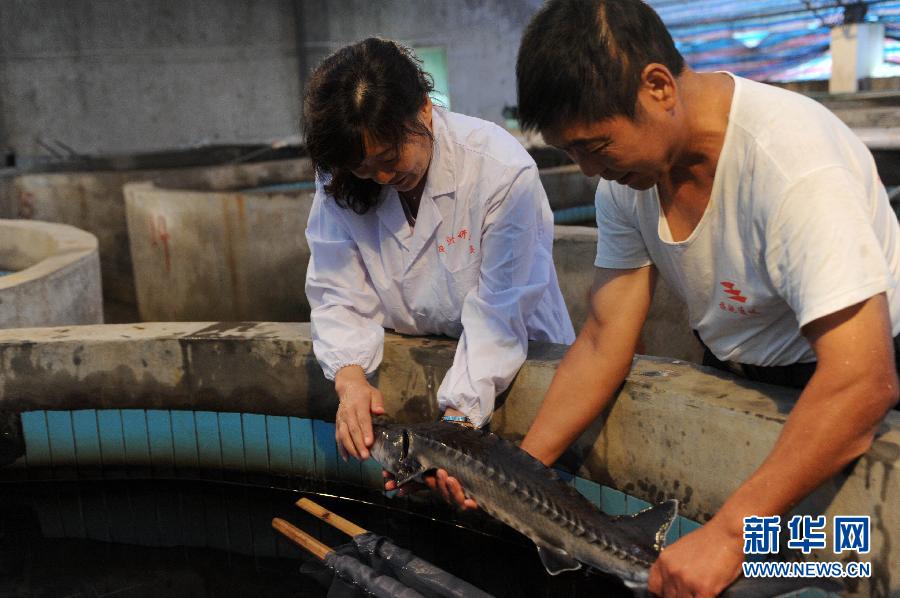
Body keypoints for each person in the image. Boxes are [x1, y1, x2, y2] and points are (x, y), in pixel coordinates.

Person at [440, 1, 900, 595]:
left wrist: (732, 537)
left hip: (843, 393)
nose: (589, 171)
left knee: (834, 563)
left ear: (658, 87)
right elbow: (606, 338)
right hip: (736, 375)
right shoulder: (630, 183)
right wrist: (513, 476)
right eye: (570, 152)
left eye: (595, 145)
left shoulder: (791, 165)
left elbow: (863, 380)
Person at [303, 38, 575, 466]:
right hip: (439, 360)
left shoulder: (499, 171)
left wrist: (457, 421)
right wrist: (351, 378)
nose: (382, 176)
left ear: (425, 110)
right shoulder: (339, 180)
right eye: (364, 168)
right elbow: (336, 288)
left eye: (390, 157)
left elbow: (499, 315)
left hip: (521, 365)